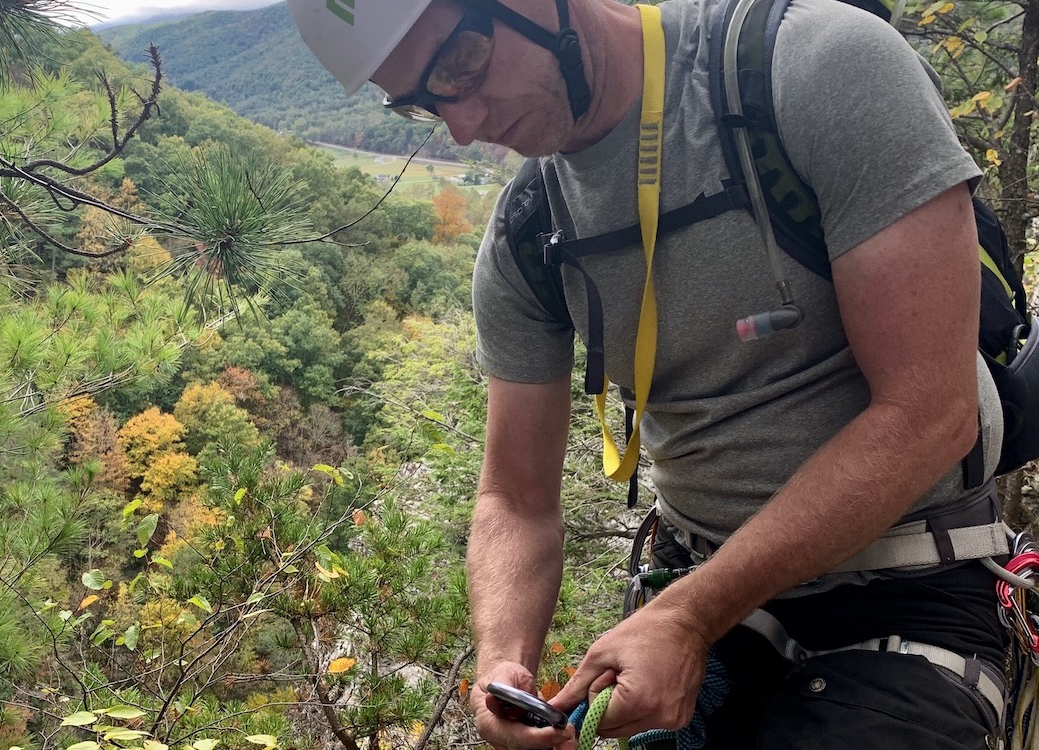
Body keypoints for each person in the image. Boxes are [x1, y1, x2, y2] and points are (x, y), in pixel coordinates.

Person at [287, 0, 1011, 747]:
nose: (463, 124)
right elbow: (515, 496)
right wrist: (504, 661)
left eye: (461, 65)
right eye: (422, 103)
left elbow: (929, 413)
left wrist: (688, 616)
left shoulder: (814, 66)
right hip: (697, 586)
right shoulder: (531, 232)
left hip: (906, 587)